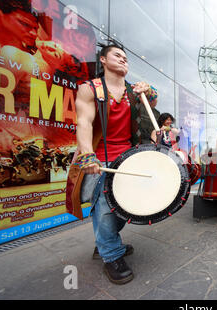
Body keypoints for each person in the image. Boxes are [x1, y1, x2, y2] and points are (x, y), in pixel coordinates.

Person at [72, 43, 158, 285]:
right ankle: (111, 255)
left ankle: (105, 242)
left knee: (127, 205)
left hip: (128, 156)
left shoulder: (133, 91)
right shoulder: (90, 89)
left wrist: (149, 91)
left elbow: (152, 103)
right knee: (106, 206)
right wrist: (88, 155)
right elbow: (85, 123)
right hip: (101, 158)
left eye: (126, 58)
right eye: (117, 56)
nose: (123, 60)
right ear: (103, 59)